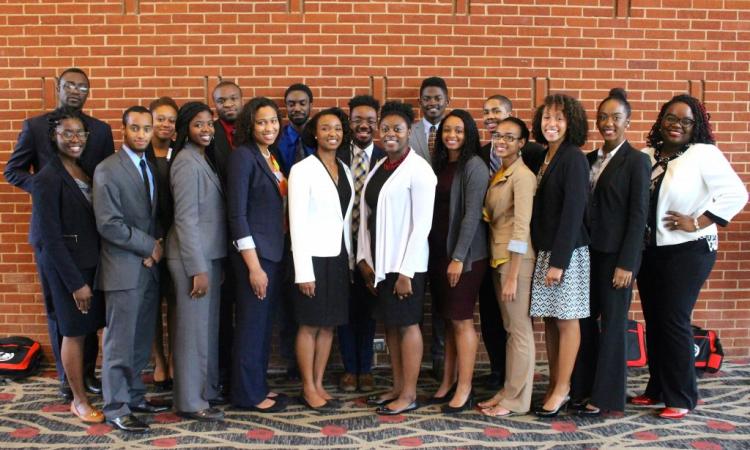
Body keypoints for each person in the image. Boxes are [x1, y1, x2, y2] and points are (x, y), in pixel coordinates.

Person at [632, 94, 747, 419]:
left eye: (685, 121)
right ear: (661, 120)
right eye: (671, 118)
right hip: (651, 251)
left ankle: (681, 397)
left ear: (696, 126)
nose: (677, 125)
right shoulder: (648, 156)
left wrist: (698, 221)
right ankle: (657, 388)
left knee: (673, 320)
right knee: (655, 321)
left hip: (689, 251)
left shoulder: (703, 154)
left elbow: (737, 193)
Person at [4, 67, 112, 401]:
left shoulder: (100, 130)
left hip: (90, 237)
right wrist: (42, 190)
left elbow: (104, 178)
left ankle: (89, 376)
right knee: (63, 313)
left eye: (83, 86)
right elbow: (13, 170)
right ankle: (69, 381)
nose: (77, 91)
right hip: (54, 237)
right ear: (58, 87)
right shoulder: (37, 127)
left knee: (90, 314)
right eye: (70, 85)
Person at [569, 88, 650, 416]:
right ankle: (582, 388)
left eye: (615, 117)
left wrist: (627, 262)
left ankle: (606, 397)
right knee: (585, 323)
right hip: (588, 254)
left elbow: (638, 215)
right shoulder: (589, 160)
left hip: (617, 258)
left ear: (627, 121)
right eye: (603, 117)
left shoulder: (637, 161)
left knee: (613, 324)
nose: (608, 123)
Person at [93, 106, 169, 433]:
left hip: (148, 269)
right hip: (123, 270)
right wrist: (149, 246)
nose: (141, 134)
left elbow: (152, 216)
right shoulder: (108, 169)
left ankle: (135, 396)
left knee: (139, 342)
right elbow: (108, 224)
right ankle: (116, 407)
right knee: (119, 344)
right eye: (135, 128)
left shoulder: (149, 165)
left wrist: (158, 245)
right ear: (123, 130)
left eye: (146, 129)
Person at [359, 101, 437, 415]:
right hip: (382, 263)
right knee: (391, 326)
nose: (390, 134)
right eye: (386, 128)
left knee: (406, 325)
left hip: (407, 266)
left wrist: (406, 271)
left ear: (408, 133)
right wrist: (365, 259)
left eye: (398, 129)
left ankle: (409, 393)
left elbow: (422, 225)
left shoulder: (419, 169)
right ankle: (395, 386)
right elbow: (367, 213)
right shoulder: (382, 165)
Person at [32, 111, 105, 424]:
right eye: (67, 133)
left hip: (91, 264)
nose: (74, 139)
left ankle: (85, 389)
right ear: (54, 137)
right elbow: (49, 238)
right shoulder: (47, 178)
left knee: (90, 331)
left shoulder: (82, 169)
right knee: (73, 334)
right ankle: (78, 400)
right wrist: (76, 283)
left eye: (79, 133)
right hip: (68, 271)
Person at [476, 95, 545, 389]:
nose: (501, 141)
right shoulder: (502, 172)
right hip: (499, 257)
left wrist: (514, 275)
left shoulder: (522, 176)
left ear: (521, 144)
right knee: (510, 328)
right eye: (498, 136)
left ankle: (517, 397)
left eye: (509, 137)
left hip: (515, 262)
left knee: (519, 331)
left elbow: (521, 229)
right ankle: (509, 391)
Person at [529, 94, 591, 418]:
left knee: (567, 320)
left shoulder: (573, 158)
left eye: (559, 119)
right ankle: (556, 383)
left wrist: (559, 263)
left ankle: (563, 388)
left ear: (572, 124)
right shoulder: (544, 156)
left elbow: (573, 212)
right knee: (550, 321)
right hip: (547, 251)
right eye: (547, 118)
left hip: (567, 254)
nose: (551, 124)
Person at [226, 97, 289, 413]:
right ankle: (246, 395)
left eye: (274, 121)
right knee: (252, 325)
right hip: (255, 257)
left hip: (272, 254)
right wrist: (253, 266)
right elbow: (237, 215)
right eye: (262, 122)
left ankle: (257, 385)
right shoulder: (243, 157)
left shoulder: (270, 156)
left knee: (263, 325)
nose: (270, 127)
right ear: (250, 125)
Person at [289, 108, 355, 410]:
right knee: (310, 324)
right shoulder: (303, 169)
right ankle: (307, 387)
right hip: (312, 259)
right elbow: (296, 222)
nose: (333, 134)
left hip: (338, 256)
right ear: (315, 133)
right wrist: (304, 271)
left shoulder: (345, 167)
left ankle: (318, 383)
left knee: (329, 325)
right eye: (326, 128)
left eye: (338, 129)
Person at [166, 102, 227, 422]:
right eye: (198, 125)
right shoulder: (186, 162)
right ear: (185, 129)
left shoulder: (203, 158)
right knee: (192, 333)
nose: (206, 130)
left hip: (209, 256)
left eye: (209, 124)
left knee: (205, 331)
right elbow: (185, 220)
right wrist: (198, 269)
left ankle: (205, 391)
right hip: (193, 260)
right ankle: (190, 401)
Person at [426, 109, 488, 413]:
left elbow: (472, 215)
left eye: (459, 131)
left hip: (464, 257)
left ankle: (465, 387)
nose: (452, 135)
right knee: (449, 320)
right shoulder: (440, 164)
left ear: (469, 134)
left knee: (462, 320)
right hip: (438, 253)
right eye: (447, 130)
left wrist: (458, 258)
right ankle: (447, 381)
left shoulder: (473, 166)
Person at [336, 95, 385, 394]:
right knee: (343, 308)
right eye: (357, 120)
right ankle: (349, 368)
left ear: (377, 123)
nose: (363, 125)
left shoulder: (385, 156)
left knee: (368, 308)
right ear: (349, 122)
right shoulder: (336, 153)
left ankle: (365, 368)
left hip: (373, 246)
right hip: (340, 244)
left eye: (369, 120)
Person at [409, 76, 450, 380]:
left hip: (445, 227)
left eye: (437, 98)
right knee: (414, 292)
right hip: (413, 225)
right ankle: (414, 360)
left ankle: (439, 357)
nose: (432, 103)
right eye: (427, 98)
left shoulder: (455, 132)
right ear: (420, 102)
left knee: (442, 297)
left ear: (446, 101)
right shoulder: (408, 133)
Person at [276, 83, 315, 380]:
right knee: (288, 299)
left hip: (315, 229)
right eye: (291, 104)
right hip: (283, 229)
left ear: (310, 106)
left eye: (302, 103)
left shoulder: (320, 138)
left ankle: (314, 364)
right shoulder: (276, 140)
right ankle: (292, 362)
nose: (296, 108)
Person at [210, 80, 243, 395]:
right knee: (221, 311)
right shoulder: (210, 134)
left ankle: (241, 373)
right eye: (222, 100)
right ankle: (221, 373)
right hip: (218, 235)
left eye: (233, 98)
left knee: (245, 308)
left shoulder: (254, 129)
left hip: (249, 237)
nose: (228, 104)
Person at [146, 96, 178, 392]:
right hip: (151, 242)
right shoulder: (139, 155)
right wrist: (155, 240)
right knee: (154, 304)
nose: (166, 124)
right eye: (160, 119)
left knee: (176, 302)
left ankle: (174, 360)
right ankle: (158, 359)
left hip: (178, 240)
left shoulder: (180, 153)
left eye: (171, 119)